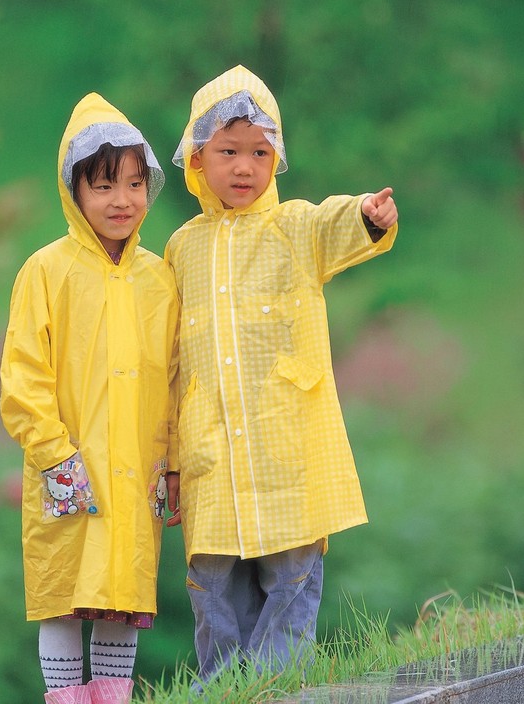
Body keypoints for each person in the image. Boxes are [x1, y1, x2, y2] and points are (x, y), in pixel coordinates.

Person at [163, 64, 399, 682]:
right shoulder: (182, 250)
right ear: (196, 158)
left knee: (291, 583)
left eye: (260, 153)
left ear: (276, 159)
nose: (244, 167)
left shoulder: (294, 227)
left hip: (286, 454)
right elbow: (171, 363)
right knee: (213, 591)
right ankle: (223, 690)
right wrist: (170, 459)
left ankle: (278, 687)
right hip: (212, 459)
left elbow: (334, 224)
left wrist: (367, 218)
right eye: (228, 151)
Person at [0, 92, 179, 704]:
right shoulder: (45, 272)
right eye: (103, 186)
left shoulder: (159, 279)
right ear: (72, 191)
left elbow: (177, 376)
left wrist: (172, 459)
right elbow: (23, 377)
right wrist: (54, 454)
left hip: (136, 467)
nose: (122, 200)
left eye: (134, 184)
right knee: (61, 597)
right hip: (68, 465)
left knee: (119, 600)